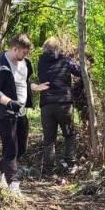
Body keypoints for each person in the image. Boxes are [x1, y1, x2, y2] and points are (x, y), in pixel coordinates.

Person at [0, 34, 48, 196]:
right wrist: (9, 102)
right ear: (15, 49)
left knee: (21, 148)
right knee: (11, 148)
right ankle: (13, 184)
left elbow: (24, 82)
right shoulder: (0, 64)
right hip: (5, 112)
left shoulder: (26, 63)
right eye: (24, 52)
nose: (25, 55)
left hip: (21, 112)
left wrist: (36, 87)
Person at [37, 36, 82, 172]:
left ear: (45, 48)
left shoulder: (41, 62)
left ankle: (49, 168)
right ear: (58, 48)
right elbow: (80, 71)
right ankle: (70, 164)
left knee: (49, 139)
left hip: (46, 103)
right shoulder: (65, 60)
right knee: (69, 134)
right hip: (64, 103)